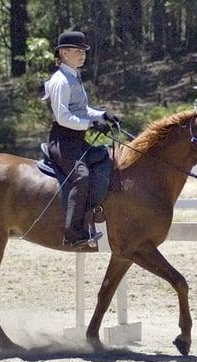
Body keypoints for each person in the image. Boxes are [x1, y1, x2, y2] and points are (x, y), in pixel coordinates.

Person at [42, 31, 120, 247]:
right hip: (62, 142)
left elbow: (81, 109)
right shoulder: (60, 80)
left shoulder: (74, 76)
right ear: (64, 53)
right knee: (81, 177)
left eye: (83, 51)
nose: (82, 55)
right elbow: (63, 116)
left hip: (77, 141)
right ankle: (73, 233)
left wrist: (102, 115)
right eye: (77, 51)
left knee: (105, 158)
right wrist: (91, 123)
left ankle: (95, 215)